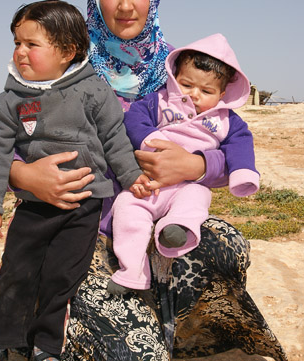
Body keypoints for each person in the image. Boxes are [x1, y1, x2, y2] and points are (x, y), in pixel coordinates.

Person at [3, 0, 288, 361]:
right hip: (83, 222)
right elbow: (10, 141)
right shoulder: (62, 65)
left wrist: (196, 167)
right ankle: (53, 322)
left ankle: (152, 304)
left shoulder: (183, 68)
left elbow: (226, 138)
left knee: (223, 245)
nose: (125, 5)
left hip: (161, 212)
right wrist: (24, 175)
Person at [0, 0, 151, 361]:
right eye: (16, 42)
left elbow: (115, 140)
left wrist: (131, 177)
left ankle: (47, 349)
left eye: (32, 44)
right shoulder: (7, 103)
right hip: (32, 206)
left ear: (67, 52)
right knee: (16, 272)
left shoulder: (93, 91)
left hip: (84, 208)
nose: (20, 52)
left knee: (62, 277)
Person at [108, 33, 260, 295]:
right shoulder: (160, 101)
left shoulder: (226, 120)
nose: (194, 96)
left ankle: (176, 229)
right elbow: (135, 119)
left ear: (223, 93)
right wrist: (151, 141)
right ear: (175, 78)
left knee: (195, 200)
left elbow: (241, 145)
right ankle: (132, 270)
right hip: (150, 182)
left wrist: (243, 175)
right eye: (187, 85)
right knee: (127, 206)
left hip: (188, 184)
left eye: (207, 91)